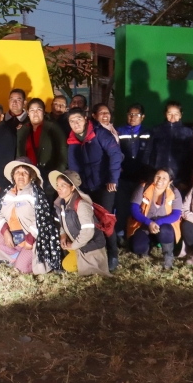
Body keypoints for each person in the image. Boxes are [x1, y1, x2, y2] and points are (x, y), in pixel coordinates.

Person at [0, 157, 61, 274]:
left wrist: (30, 239)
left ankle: (29, 260)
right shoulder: (8, 193)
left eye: (25, 172)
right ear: (13, 176)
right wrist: (5, 232)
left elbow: (42, 220)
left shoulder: (36, 194)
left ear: (31, 176)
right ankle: (16, 254)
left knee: (20, 269)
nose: (21, 175)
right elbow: (0, 215)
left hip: (32, 242)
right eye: (17, 172)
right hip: (15, 238)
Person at [67, 107, 123, 270]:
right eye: (71, 121)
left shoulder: (100, 133)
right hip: (86, 186)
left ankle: (113, 253)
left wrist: (113, 178)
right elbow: (73, 166)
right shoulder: (71, 140)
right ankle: (97, 253)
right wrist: (76, 187)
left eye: (78, 119)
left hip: (105, 183)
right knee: (90, 220)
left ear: (85, 119)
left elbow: (115, 155)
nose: (75, 123)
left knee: (106, 219)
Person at [49, 169, 111, 276]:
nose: (58, 188)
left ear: (72, 187)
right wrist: (62, 235)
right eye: (58, 185)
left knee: (67, 265)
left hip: (89, 245)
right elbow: (61, 222)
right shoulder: (62, 203)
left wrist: (73, 246)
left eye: (63, 185)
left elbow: (88, 232)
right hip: (76, 242)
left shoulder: (82, 205)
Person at [126, 168, 182, 269]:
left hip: (165, 224)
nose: (160, 180)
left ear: (170, 181)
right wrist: (149, 223)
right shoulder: (144, 187)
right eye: (158, 176)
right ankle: (148, 247)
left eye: (164, 178)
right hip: (144, 223)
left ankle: (168, 255)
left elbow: (176, 214)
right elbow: (134, 209)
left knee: (166, 231)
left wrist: (158, 222)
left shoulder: (174, 192)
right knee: (137, 248)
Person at [116, 103, 153, 235]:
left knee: (139, 207)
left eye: (136, 115)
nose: (132, 117)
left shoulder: (148, 133)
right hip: (123, 176)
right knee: (122, 205)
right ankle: (120, 233)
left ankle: (137, 234)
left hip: (141, 177)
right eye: (130, 114)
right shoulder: (119, 131)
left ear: (142, 117)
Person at [17, 98, 67, 194]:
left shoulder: (53, 128)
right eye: (32, 110)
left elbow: (63, 151)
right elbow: (19, 152)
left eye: (38, 110)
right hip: (28, 175)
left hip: (48, 175)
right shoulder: (23, 129)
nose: (35, 113)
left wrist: (58, 174)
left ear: (44, 112)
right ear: (28, 112)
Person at [148, 100, 193, 193]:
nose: (173, 117)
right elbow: (149, 153)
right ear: (165, 114)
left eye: (176, 114)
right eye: (170, 113)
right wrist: (149, 175)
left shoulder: (187, 132)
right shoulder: (157, 130)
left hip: (179, 179)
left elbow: (190, 158)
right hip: (159, 177)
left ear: (181, 115)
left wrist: (185, 180)